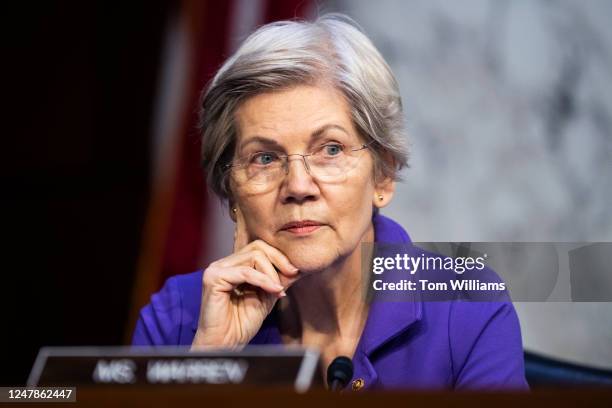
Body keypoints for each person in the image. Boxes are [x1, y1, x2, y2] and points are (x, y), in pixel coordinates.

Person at [132, 14, 528, 391]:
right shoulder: (178, 318)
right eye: (265, 158)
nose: (299, 186)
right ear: (231, 190)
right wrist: (210, 363)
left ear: (383, 175)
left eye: (331, 149)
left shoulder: (465, 309)